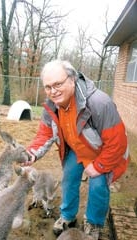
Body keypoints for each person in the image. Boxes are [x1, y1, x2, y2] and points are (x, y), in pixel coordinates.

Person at [23, 60, 130, 239]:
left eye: (58, 84)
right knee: (68, 178)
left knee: (98, 186)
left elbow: (117, 143)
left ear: (72, 79)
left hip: (105, 152)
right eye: (48, 87)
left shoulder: (99, 103)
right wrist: (31, 153)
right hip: (78, 148)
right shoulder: (51, 106)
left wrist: (98, 166)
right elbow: (44, 134)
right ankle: (68, 216)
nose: (53, 91)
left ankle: (94, 223)